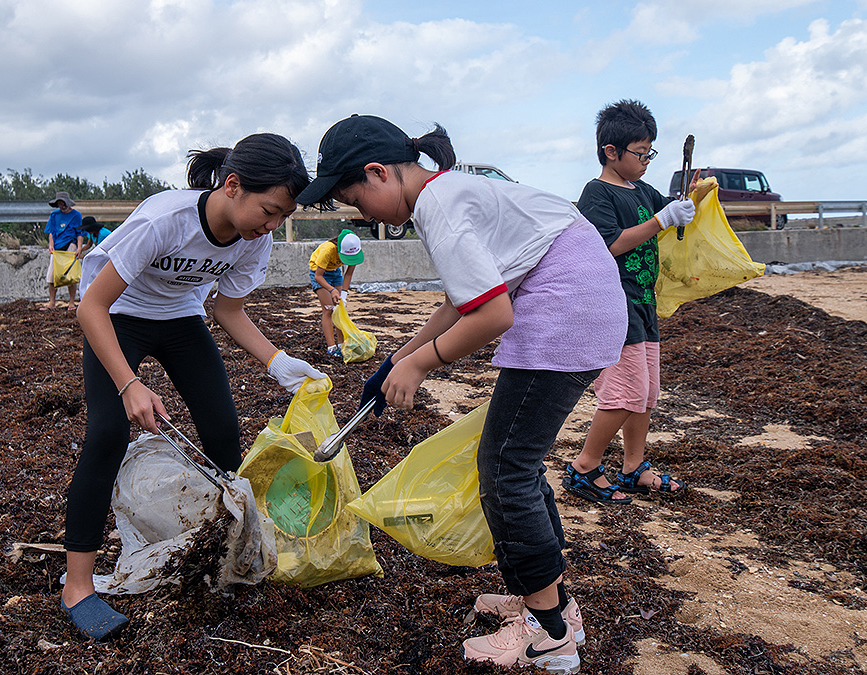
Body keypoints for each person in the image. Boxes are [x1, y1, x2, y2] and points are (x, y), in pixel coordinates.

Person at [297, 115, 627, 674]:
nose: (362, 215)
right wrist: (397, 359)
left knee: (505, 471)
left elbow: (493, 315)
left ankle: (549, 633)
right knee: (513, 464)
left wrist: (421, 365)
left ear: (379, 173)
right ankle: (549, 604)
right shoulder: (450, 193)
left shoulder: (440, 207)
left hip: (564, 318)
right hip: (580, 313)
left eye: (357, 200)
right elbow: (461, 301)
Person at [60, 132, 325, 641]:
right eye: (268, 211)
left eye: (281, 218)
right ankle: (78, 586)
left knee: (224, 430)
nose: (271, 226)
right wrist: (130, 384)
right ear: (232, 186)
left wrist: (278, 362)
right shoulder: (167, 221)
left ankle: (230, 550)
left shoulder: (255, 239)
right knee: (106, 436)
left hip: (180, 320)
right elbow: (89, 307)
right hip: (117, 317)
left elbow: (228, 310)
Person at [563, 100, 694, 505]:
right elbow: (611, 244)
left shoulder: (643, 191)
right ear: (611, 152)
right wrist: (662, 220)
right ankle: (584, 467)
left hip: (643, 304)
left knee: (647, 393)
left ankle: (634, 467)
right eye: (640, 154)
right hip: (613, 307)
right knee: (624, 393)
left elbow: (670, 211)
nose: (646, 161)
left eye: (650, 153)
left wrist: (691, 201)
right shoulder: (597, 193)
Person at [308, 228, 364, 357]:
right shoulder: (327, 250)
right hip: (320, 273)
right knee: (328, 309)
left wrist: (343, 294)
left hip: (335, 272)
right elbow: (318, 276)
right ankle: (331, 347)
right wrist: (332, 290)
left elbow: (348, 273)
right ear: (340, 250)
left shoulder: (354, 249)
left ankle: (341, 343)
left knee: (339, 308)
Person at [43, 191, 86, 311]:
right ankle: (52, 302)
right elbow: (51, 232)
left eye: (63, 203)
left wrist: (79, 248)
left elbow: (80, 233)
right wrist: (50, 244)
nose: (62, 206)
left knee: (71, 276)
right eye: (59, 204)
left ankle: (71, 302)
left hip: (70, 245)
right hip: (57, 247)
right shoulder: (54, 215)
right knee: (51, 275)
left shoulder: (76, 215)